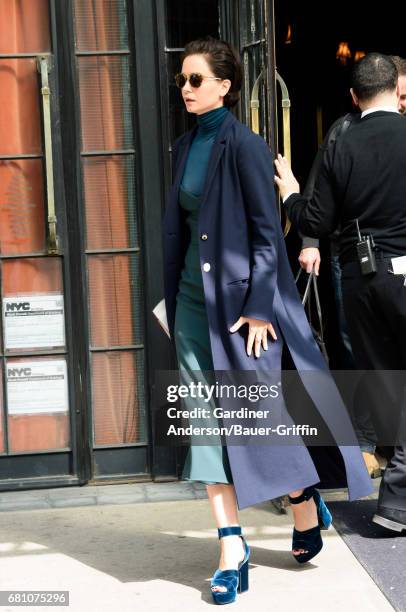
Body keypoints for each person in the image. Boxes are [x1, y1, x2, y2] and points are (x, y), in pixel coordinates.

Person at [162, 36, 372, 604]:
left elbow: (265, 233)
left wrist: (259, 306)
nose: (185, 88)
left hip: (241, 310)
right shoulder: (183, 147)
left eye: (196, 79)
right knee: (206, 426)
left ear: (225, 86)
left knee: (262, 425)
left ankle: (304, 501)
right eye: (181, 79)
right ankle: (232, 547)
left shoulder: (247, 146)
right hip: (190, 306)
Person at [275, 52, 406, 533]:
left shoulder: (341, 142)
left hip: (360, 279)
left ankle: (395, 492)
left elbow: (314, 220)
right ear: (396, 89)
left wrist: (290, 189)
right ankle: (397, 498)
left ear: (353, 96)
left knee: (385, 381)